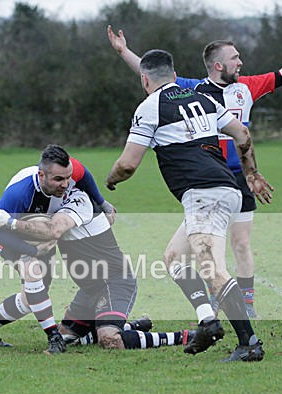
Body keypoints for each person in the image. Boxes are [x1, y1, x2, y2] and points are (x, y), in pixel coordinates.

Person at [107, 26, 282, 317]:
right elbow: (156, 76)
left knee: (240, 243)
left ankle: (247, 305)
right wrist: (123, 51)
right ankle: (218, 299)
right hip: (209, 174)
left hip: (240, 178)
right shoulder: (194, 89)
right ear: (218, 65)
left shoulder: (247, 87)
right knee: (206, 248)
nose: (240, 62)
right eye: (235, 58)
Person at [106, 49, 273, 362]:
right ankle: (208, 321)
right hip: (225, 189)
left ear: (144, 79)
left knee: (213, 270)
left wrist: (110, 180)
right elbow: (242, 133)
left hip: (204, 194)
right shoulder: (205, 99)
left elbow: (127, 165)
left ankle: (249, 343)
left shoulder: (150, 106)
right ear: (173, 73)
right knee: (174, 257)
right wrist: (251, 173)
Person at [0, 187, 197, 351]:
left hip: (114, 281)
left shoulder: (78, 202)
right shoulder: (50, 201)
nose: (60, 185)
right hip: (90, 289)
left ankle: (183, 336)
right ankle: (130, 327)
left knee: (110, 340)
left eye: (64, 180)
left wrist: (10, 222)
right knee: (67, 337)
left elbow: (53, 230)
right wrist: (5, 209)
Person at [0, 145, 116, 355]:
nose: (65, 184)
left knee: (33, 298)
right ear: (41, 174)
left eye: (68, 178)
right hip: (9, 236)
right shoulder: (19, 193)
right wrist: (32, 251)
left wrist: (102, 203)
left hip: (37, 235)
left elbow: (86, 177)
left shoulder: (70, 172)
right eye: (58, 180)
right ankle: (54, 337)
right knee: (33, 274)